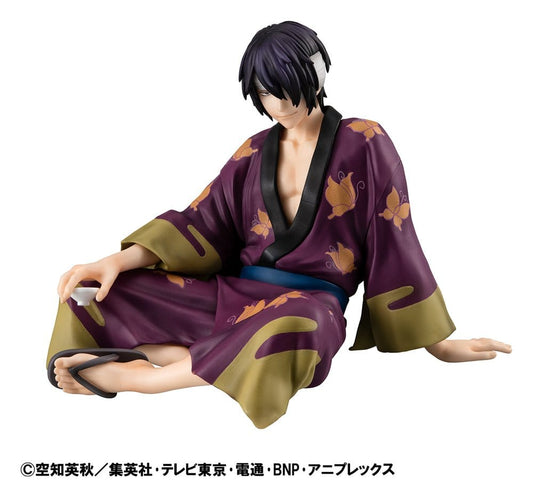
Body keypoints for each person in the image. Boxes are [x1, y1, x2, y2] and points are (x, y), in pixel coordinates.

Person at [47, 21, 511, 429]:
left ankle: (138, 376)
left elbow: (395, 237)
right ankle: (181, 356)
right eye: (266, 91)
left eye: (288, 86)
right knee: (93, 292)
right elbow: (201, 222)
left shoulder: (364, 140)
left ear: (318, 73)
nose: (280, 102)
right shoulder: (253, 150)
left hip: (309, 306)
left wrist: (437, 344)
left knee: (296, 326)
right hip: (231, 299)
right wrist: (117, 260)